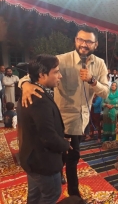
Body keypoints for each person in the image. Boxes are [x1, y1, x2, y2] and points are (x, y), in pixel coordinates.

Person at [19, 27, 109, 197]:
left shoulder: (100, 64)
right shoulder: (61, 60)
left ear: (95, 44)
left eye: (88, 41)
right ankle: (67, 188)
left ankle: (71, 193)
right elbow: (31, 75)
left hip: (82, 120)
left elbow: (105, 92)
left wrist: (92, 80)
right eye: (80, 40)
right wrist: (25, 85)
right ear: (75, 40)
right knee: (60, 157)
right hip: (60, 120)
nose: (84, 44)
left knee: (72, 158)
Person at [18, 54, 71, 204]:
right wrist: (65, 144)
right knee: (52, 194)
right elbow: (48, 138)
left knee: (34, 197)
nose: (60, 76)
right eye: (56, 72)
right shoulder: (38, 98)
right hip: (43, 162)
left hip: (33, 158)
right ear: (42, 75)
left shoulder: (32, 92)